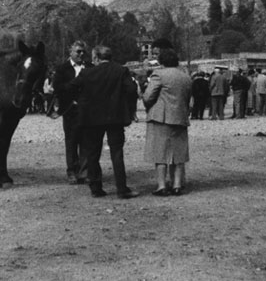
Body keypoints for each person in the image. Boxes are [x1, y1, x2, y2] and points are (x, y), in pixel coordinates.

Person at [70, 45, 139, 199]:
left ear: (96, 58)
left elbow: (72, 88)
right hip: (115, 117)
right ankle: (122, 189)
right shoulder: (121, 71)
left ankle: (95, 188)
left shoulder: (86, 73)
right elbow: (131, 90)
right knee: (117, 153)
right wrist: (126, 106)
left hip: (92, 118)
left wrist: (81, 102)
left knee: (93, 154)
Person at [142, 48, 192, 196]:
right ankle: (177, 184)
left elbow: (148, 96)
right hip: (180, 117)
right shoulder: (185, 77)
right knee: (178, 153)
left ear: (161, 61)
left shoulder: (158, 74)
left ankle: (162, 185)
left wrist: (149, 107)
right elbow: (188, 98)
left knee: (160, 153)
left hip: (161, 118)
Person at [52, 40, 91, 184]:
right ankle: (72, 171)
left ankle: (84, 171)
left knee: (86, 142)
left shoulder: (90, 67)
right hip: (69, 111)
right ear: (71, 52)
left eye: (83, 51)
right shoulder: (62, 69)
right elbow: (57, 88)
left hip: (87, 111)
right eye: (78, 51)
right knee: (71, 142)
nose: (81, 54)